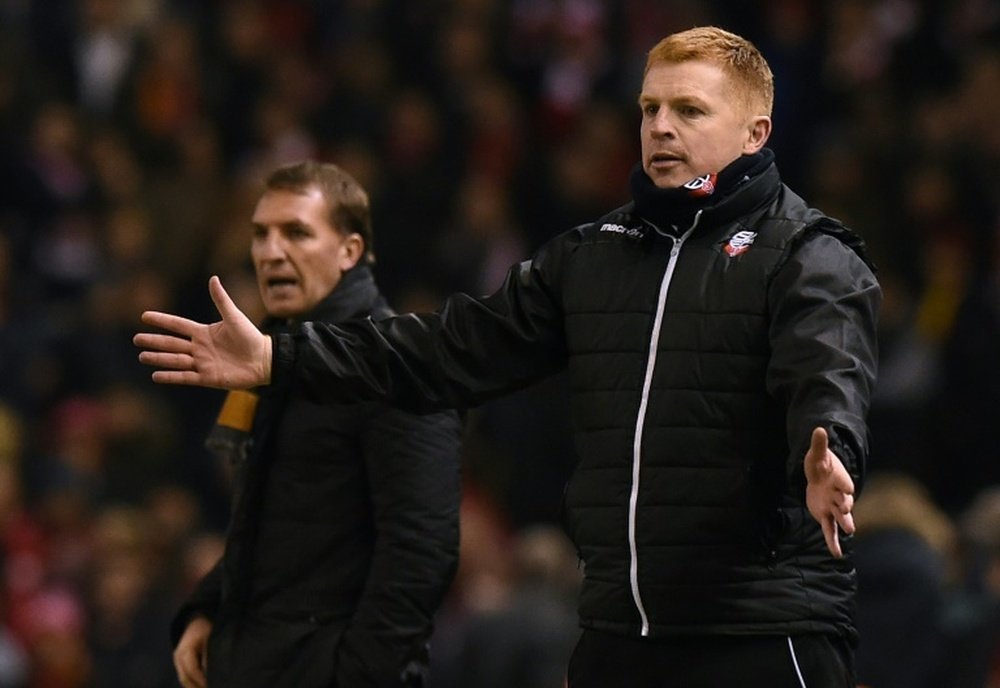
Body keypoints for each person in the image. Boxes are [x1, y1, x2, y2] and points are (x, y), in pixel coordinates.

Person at [136, 27, 879, 687]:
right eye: (649, 109)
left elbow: (825, 371)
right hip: (619, 634)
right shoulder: (593, 256)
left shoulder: (806, 254)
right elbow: (446, 350)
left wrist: (829, 451)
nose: (659, 127)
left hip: (760, 629)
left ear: (756, 132)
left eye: (689, 110)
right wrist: (280, 358)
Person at [167, 161, 463, 688]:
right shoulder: (271, 356)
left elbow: (420, 549)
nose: (270, 251)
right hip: (255, 662)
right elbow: (269, 521)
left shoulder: (397, 365)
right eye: (260, 234)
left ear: (350, 250)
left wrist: (357, 676)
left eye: (296, 232)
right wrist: (210, 608)